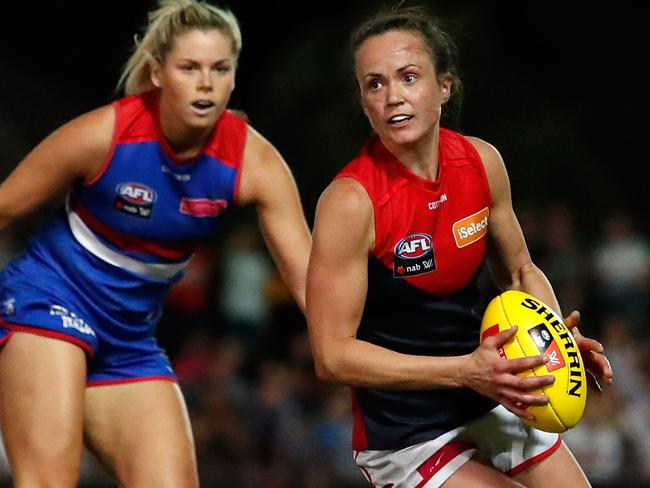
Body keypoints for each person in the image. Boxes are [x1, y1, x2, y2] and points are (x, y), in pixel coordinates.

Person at [0, 0, 311, 486]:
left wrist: (379, 356)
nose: (205, 83)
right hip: (49, 302)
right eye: (189, 68)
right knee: (49, 480)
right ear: (159, 73)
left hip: (129, 339)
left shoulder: (255, 163)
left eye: (219, 69)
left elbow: (314, 286)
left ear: (233, 77)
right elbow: (5, 207)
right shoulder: (105, 134)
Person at [306, 6, 612, 488]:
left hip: (493, 391)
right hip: (408, 433)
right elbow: (332, 355)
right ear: (365, 103)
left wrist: (553, 339)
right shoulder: (350, 202)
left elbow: (519, 272)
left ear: (444, 86)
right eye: (375, 84)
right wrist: (465, 371)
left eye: (408, 77)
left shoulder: (482, 163)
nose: (392, 97)